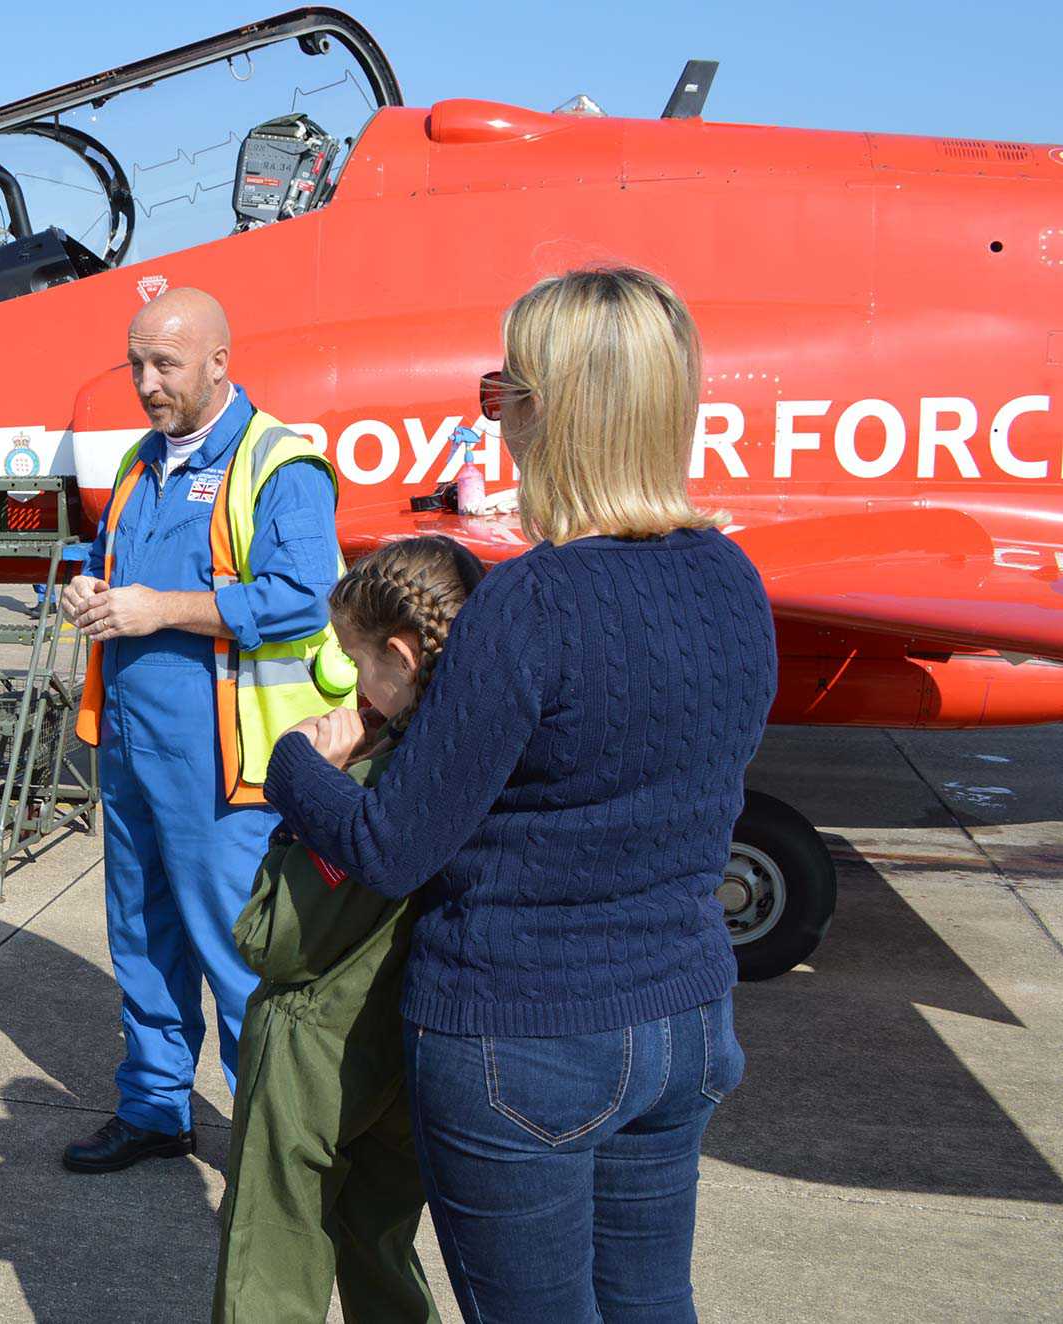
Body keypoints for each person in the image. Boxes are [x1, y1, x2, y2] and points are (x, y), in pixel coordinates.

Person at [264, 267, 776, 1323]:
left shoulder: (532, 601)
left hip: (523, 1037)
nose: (494, 420)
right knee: (649, 1305)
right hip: (682, 1014)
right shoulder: (731, 576)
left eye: (503, 392)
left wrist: (292, 767)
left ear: (547, 411)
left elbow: (390, 846)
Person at [58, 287, 356, 1174]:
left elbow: (304, 595)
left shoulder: (280, 466)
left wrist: (162, 610)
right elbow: (102, 559)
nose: (148, 383)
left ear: (220, 362)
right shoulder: (135, 466)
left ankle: (270, 1140)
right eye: (138, 363)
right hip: (133, 749)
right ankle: (154, 1106)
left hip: (225, 760)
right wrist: (82, 589)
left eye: (167, 365)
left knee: (233, 949)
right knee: (140, 935)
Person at [215, 536, 483, 1324]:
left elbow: (271, 937)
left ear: (401, 658)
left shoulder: (374, 783)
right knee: (381, 1240)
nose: (355, 684)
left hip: (316, 1045)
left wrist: (310, 792)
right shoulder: (469, 752)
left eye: (359, 662)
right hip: (412, 1045)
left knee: (271, 1252)